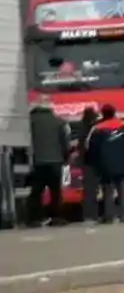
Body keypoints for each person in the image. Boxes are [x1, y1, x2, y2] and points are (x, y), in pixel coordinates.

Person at [27, 96, 70, 227]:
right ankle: (56, 217)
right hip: (56, 161)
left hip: (37, 161)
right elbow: (65, 142)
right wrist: (65, 157)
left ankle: (35, 218)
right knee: (55, 191)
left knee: (36, 191)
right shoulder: (60, 122)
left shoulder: (30, 122)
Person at [84, 104, 124, 223]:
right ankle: (123, 215)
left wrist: (93, 164)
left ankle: (109, 216)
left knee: (108, 190)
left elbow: (90, 147)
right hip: (122, 162)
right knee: (122, 189)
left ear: (103, 113)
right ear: (114, 112)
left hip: (105, 164)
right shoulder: (123, 125)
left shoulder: (97, 128)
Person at [76, 106, 100, 223]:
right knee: (94, 190)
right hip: (94, 162)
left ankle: (88, 214)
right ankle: (93, 214)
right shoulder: (94, 129)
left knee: (88, 190)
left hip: (85, 162)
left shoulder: (82, 129)